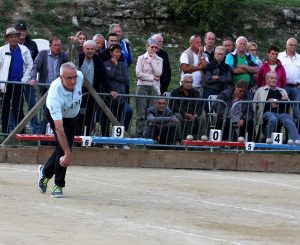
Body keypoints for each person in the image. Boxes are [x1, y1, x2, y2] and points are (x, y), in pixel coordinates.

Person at [37, 62, 84, 198]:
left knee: (63, 148)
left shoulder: (80, 76)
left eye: (74, 77)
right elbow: (59, 128)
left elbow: (81, 80)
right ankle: (58, 185)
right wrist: (68, 153)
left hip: (72, 116)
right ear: (60, 77)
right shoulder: (54, 95)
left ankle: (45, 172)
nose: (73, 81)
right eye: (68, 78)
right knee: (63, 150)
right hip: (56, 118)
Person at [30, 36, 68, 134]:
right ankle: (43, 136)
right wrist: (33, 78)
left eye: (59, 45)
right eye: (55, 45)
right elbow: (35, 67)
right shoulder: (43, 54)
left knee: (56, 115)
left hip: (59, 91)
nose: (57, 47)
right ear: (50, 46)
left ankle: (54, 136)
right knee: (46, 114)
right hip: (45, 90)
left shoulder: (63, 56)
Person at [78, 40, 117, 136]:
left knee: (89, 116)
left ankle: (86, 137)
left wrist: (110, 89)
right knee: (77, 115)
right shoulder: (79, 57)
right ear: (83, 49)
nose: (90, 51)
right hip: (78, 91)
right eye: (87, 49)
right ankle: (75, 136)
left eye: (92, 49)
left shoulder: (97, 59)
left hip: (92, 92)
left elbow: (104, 75)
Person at [0, 27, 33, 134]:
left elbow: (30, 65)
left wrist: (24, 80)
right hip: (5, 84)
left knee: (18, 108)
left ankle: (21, 133)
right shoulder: (2, 50)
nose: (13, 39)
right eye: (11, 37)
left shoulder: (24, 49)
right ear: (7, 39)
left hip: (18, 84)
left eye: (15, 36)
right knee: (5, 108)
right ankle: (5, 132)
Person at [254, 71, 299, 141]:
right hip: (267, 113)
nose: (274, 80)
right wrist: (278, 101)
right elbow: (256, 104)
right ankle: (267, 140)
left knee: (289, 121)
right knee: (273, 119)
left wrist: (275, 102)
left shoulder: (282, 91)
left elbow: (287, 104)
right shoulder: (260, 90)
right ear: (266, 80)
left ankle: (297, 143)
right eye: (271, 78)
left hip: (282, 113)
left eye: (275, 78)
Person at [14, 22, 40, 134]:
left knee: (32, 105)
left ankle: (36, 130)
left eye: (24, 30)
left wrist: (34, 77)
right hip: (16, 79)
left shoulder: (32, 44)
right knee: (15, 105)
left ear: (26, 31)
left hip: (29, 80)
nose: (22, 32)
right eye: (19, 30)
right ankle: (15, 129)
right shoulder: (13, 43)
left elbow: (37, 62)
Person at [102, 44, 132, 136]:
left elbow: (125, 78)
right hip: (108, 97)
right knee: (106, 119)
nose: (118, 54)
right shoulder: (106, 64)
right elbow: (108, 76)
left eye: (120, 52)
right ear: (111, 53)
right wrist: (115, 67)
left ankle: (116, 140)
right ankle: (105, 139)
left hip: (120, 97)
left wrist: (115, 72)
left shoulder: (123, 64)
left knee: (119, 118)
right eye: (116, 52)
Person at [135, 37, 163, 137]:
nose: (154, 49)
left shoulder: (159, 59)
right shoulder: (141, 58)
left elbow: (159, 73)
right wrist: (152, 77)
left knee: (152, 113)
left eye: (156, 47)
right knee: (141, 113)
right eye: (152, 47)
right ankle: (138, 135)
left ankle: (149, 134)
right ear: (147, 47)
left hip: (154, 88)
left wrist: (152, 61)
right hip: (142, 87)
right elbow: (138, 74)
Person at [170, 74, 207, 139]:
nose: (189, 84)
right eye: (187, 82)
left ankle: (201, 139)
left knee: (203, 115)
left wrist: (195, 115)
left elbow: (200, 105)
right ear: (182, 82)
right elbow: (174, 106)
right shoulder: (175, 92)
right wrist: (185, 114)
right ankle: (178, 139)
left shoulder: (196, 93)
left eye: (191, 82)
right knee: (177, 115)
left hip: (193, 114)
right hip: (181, 113)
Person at [278, 38, 300, 121]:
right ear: (286, 45)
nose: (293, 47)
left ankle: (295, 133)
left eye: (295, 45)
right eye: (291, 45)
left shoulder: (299, 58)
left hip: (296, 88)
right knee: (281, 110)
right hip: (283, 87)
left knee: (296, 112)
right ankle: (279, 132)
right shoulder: (279, 56)